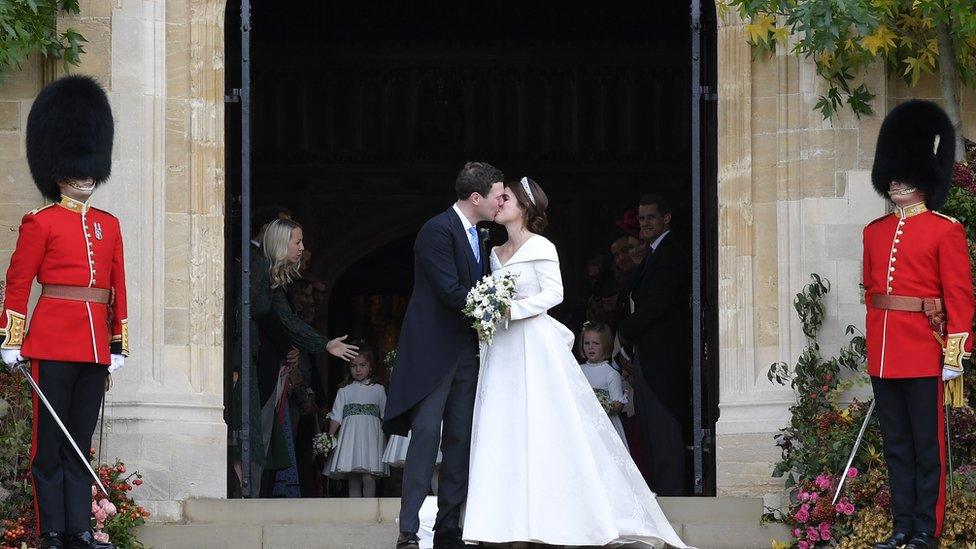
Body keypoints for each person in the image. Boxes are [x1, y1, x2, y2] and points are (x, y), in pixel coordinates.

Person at [463, 177, 689, 548]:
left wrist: (511, 309)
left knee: (542, 425)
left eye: (506, 198)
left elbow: (555, 293)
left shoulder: (542, 247)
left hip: (532, 345)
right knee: (503, 424)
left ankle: (552, 514)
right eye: (498, 198)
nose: (498, 203)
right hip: (501, 349)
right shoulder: (494, 252)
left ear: (525, 207)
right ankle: (501, 518)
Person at [0, 76, 124, 549]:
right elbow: (18, 282)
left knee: (79, 442)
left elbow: (118, 291)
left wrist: (118, 346)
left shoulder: (109, 226)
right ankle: (52, 531)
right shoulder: (40, 222)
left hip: (94, 346)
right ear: (58, 171)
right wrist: (11, 337)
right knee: (49, 446)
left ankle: (80, 529)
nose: (86, 175)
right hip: (51, 341)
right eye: (76, 169)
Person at [864, 100, 974, 549]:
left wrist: (954, 356)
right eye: (891, 174)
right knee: (897, 449)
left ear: (922, 177)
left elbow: (961, 301)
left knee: (928, 451)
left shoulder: (945, 230)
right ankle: (902, 528)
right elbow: (871, 295)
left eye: (902, 173)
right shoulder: (874, 231)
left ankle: (925, 532)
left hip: (926, 355)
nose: (894, 181)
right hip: (885, 355)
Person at [384, 161, 504, 549]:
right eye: (497, 195)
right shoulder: (436, 230)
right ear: (475, 198)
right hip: (434, 353)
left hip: (467, 352)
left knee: (460, 439)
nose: (501, 201)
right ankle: (408, 529)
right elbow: (450, 290)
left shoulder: (480, 234)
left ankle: (449, 526)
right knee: (425, 439)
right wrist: (495, 306)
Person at [616, 194, 691, 496]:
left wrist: (625, 331)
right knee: (650, 430)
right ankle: (661, 493)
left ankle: (673, 495)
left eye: (650, 217)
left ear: (666, 219)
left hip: (664, 358)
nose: (645, 223)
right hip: (647, 356)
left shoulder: (671, 252)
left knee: (664, 428)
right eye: (642, 217)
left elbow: (657, 304)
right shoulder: (651, 254)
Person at [324, 345, 388, 497]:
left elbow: (385, 416)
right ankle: (356, 512)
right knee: (353, 476)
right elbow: (336, 416)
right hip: (350, 438)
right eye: (353, 366)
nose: (358, 370)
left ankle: (368, 510)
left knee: (368, 475)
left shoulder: (378, 389)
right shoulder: (344, 390)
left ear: (370, 367)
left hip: (371, 438)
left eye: (362, 365)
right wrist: (328, 437)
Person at [579, 321, 628, 448]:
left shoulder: (610, 373)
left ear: (605, 346)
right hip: (582, 424)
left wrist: (603, 403)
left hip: (605, 426)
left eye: (595, 343)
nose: (590, 347)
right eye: (587, 343)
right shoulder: (577, 370)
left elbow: (617, 406)